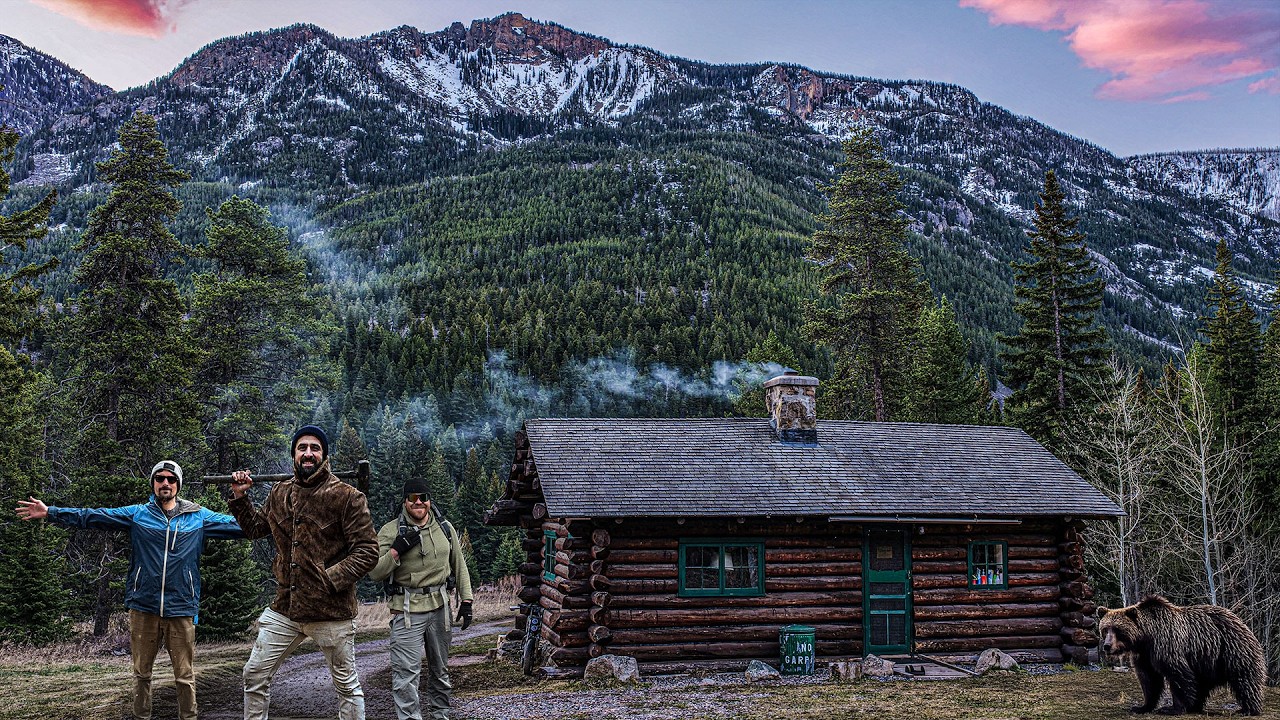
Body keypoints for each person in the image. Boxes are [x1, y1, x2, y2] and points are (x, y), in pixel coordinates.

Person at [15, 460, 244, 720]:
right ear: (153, 483)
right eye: (159, 479)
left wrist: (245, 499)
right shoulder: (138, 514)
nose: (165, 483)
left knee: (184, 676)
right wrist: (51, 512)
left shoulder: (199, 517)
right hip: (143, 607)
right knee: (141, 674)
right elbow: (92, 516)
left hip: (181, 607)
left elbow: (245, 527)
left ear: (178, 484)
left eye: (170, 479)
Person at [228, 425, 378, 720]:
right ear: (294, 454)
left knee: (347, 686)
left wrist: (330, 579)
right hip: (285, 608)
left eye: (315, 448)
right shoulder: (279, 492)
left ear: (324, 455)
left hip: (331, 611)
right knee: (254, 674)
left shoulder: (347, 496)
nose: (308, 453)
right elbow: (257, 529)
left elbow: (368, 551)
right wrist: (240, 498)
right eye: (302, 448)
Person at [369, 478, 474, 720]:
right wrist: (396, 550)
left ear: (430, 501)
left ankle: (441, 716)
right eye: (413, 498)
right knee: (406, 676)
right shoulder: (390, 531)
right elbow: (374, 572)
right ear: (405, 502)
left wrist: (466, 601)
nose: (419, 503)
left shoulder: (445, 528)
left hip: (440, 608)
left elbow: (459, 565)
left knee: (440, 671)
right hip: (406, 610)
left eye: (423, 498)